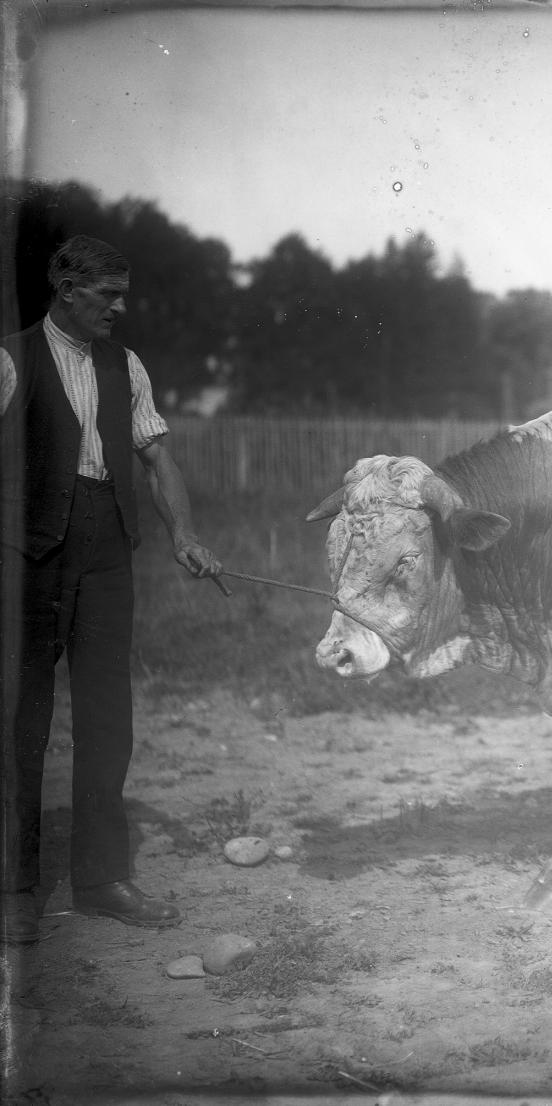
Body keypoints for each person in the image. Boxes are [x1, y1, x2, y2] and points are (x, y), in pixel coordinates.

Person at [1, 235, 222, 944]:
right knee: (19, 725)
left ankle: (100, 879)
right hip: (25, 553)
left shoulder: (124, 366)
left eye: (123, 294)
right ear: (67, 289)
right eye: (108, 295)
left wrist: (184, 535)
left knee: (106, 718)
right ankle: (14, 889)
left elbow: (157, 460)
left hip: (105, 549)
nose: (120, 309)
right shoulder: (10, 360)